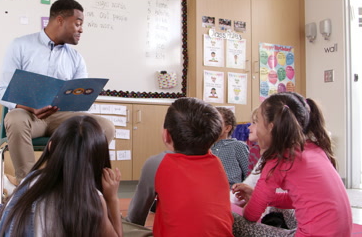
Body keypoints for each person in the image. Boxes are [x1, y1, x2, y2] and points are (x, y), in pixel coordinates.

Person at [0, 0, 115, 182]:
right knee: (14, 117)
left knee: (105, 127)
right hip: (30, 116)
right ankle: (28, 185)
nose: (81, 29)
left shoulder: (76, 58)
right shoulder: (20, 45)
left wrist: (82, 98)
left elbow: (79, 99)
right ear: (60, 20)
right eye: (77, 24)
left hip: (62, 117)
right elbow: (2, 91)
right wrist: (31, 108)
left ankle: (74, 181)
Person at [232, 93, 352, 236]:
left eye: (257, 121)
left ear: (271, 127)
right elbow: (299, 200)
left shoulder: (279, 159)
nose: (251, 127)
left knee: (233, 220)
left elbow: (251, 215)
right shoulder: (314, 148)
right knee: (276, 208)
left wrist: (252, 203)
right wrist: (260, 197)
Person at [0, 116, 122, 237]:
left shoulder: (28, 181)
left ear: (50, 147)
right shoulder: (92, 199)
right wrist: (112, 198)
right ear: (100, 157)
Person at [127, 97, 233, 236]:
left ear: (166, 135)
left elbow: (135, 219)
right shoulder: (216, 163)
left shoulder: (156, 163)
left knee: (122, 225)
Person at [211, 107, 250, 186]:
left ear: (227, 128)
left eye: (215, 122)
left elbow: (249, 175)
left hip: (231, 193)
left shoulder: (237, 146)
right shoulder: (203, 147)